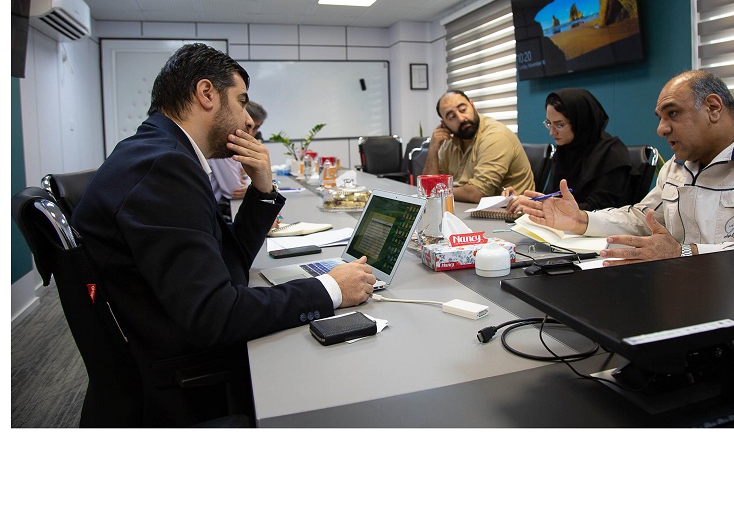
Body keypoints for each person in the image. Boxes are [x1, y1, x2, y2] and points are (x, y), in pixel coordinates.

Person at [74, 44, 374, 425]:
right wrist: (331, 288)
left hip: (159, 352)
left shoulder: (158, 151)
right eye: (242, 101)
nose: (249, 120)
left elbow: (226, 266)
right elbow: (217, 314)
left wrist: (262, 190)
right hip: (178, 386)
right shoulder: (165, 167)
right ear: (206, 93)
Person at [524, 70, 734, 267]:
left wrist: (686, 253)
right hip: (687, 290)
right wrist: (582, 220)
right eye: (660, 117)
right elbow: (645, 218)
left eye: (673, 114)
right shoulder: (678, 166)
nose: (661, 129)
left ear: (713, 108)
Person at [504, 87, 631, 213]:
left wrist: (543, 206)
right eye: (549, 123)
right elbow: (553, 196)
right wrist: (526, 200)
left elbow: (599, 209)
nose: (552, 132)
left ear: (580, 122)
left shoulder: (611, 153)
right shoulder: (565, 150)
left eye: (559, 125)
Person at [422, 89, 535, 203]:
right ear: (444, 123)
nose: (461, 118)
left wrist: (439, 191)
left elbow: (477, 193)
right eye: (452, 117)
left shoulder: (495, 136)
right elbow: (428, 187)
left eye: (463, 110)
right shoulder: (449, 141)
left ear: (473, 105)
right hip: (468, 209)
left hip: (510, 211)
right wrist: (433, 148)